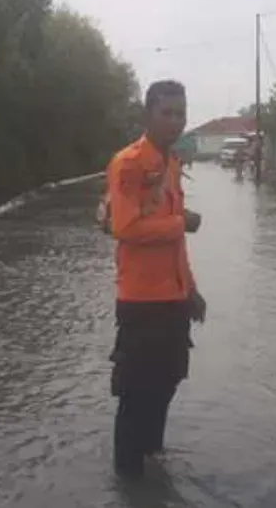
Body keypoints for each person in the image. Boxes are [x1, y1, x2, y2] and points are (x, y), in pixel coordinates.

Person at [105, 79, 207, 479]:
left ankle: (152, 459)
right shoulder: (129, 163)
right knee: (135, 395)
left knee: (167, 382)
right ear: (147, 114)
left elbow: (175, 244)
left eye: (181, 113)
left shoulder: (171, 164)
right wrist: (181, 222)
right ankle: (129, 480)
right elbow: (125, 227)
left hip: (172, 298)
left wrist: (191, 290)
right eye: (166, 113)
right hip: (141, 301)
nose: (175, 122)